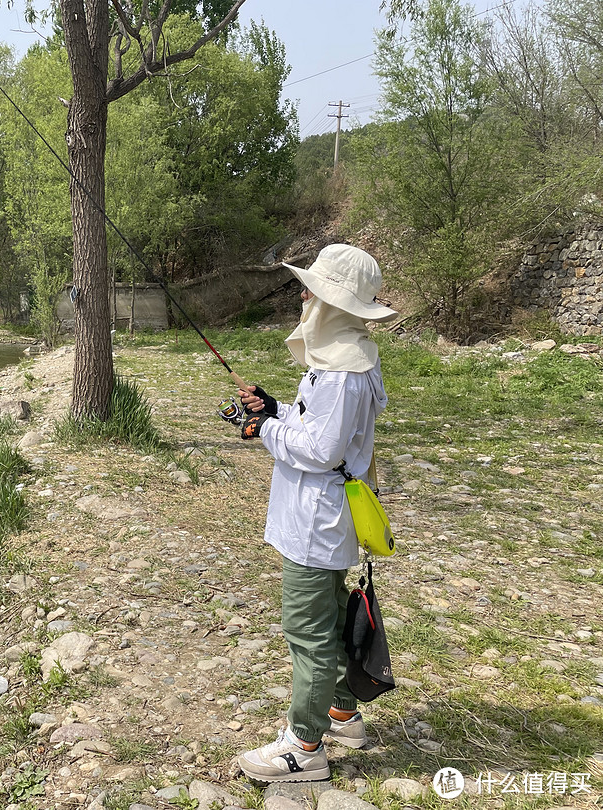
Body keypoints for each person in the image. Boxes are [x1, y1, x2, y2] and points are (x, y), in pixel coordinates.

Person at [229, 243, 399, 783]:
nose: (304, 295)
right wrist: (277, 408)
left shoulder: (344, 370)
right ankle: (343, 711)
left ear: (333, 304)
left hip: (316, 521)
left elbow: (322, 451)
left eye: (313, 289)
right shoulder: (345, 359)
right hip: (325, 516)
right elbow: (325, 429)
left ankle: (303, 749)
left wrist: (262, 430)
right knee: (326, 617)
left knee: (307, 629)